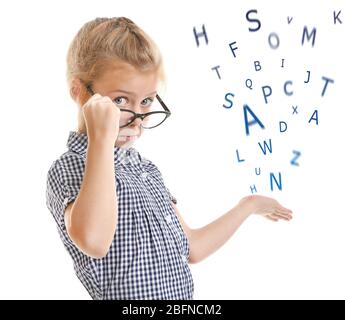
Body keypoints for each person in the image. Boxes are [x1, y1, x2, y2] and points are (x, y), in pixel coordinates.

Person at [46, 17, 293, 300]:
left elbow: (191, 247)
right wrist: (101, 139)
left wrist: (247, 206)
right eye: (121, 101)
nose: (137, 120)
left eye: (147, 101)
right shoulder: (68, 167)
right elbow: (95, 241)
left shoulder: (145, 170)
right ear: (79, 93)